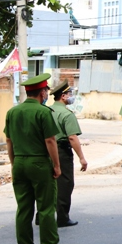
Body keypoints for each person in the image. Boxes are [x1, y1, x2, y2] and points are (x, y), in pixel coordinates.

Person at [4, 72, 72, 244]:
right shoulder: (43, 112)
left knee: (24, 209)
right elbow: (50, 140)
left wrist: (13, 162)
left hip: (19, 163)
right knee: (46, 208)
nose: (46, 94)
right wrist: (57, 166)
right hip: (40, 163)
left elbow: (8, 140)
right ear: (42, 93)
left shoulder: (13, 112)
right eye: (46, 91)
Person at [49, 80, 87, 227]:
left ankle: (42, 215)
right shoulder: (67, 114)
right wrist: (82, 158)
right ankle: (62, 217)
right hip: (62, 151)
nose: (72, 96)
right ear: (63, 96)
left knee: (48, 183)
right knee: (65, 183)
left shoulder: (47, 111)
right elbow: (72, 137)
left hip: (47, 149)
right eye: (70, 94)